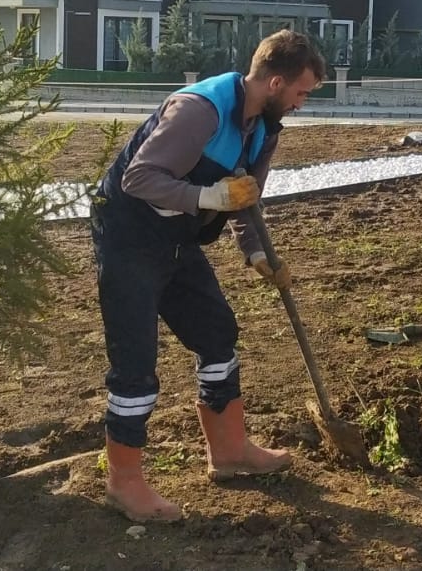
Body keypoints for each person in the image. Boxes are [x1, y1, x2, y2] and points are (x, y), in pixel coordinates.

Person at [90, 29, 328, 523]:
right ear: (277, 80)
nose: (303, 103)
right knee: (135, 365)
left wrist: (258, 253)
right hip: (129, 237)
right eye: (302, 92)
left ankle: (229, 450)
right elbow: (139, 178)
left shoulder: (265, 123)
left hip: (176, 239)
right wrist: (208, 198)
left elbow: (246, 199)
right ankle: (124, 482)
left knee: (217, 334)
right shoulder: (200, 110)